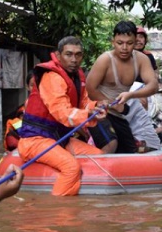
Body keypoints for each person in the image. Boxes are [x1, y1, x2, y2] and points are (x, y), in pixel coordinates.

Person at [18, 36, 106, 196]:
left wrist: (97, 107)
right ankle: (59, 214)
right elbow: (62, 112)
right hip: (35, 140)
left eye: (78, 55)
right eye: (69, 54)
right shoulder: (52, 76)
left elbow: (84, 104)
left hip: (59, 139)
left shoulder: (77, 77)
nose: (74, 59)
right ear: (58, 56)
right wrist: (88, 113)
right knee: (71, 167)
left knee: (99, 156)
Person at [85, 20, 159, 154]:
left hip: (120, 112)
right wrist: (111, 105)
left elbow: (153, 86)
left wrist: (131, 95)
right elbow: (90, 89)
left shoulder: (141, 59)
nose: (124, 48)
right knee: (111, 144)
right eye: (120, 43)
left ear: (135, 42)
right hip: (99, 111)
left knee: (130, 151)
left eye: (129, 43)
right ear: (113, 41)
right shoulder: (104, 60)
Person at [3, 71, 36, 151]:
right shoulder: (22, 110)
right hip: (27, 138)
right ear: (27, 87)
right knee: (11, 124)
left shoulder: (49, 104)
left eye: (37, 85)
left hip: (41, 139)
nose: (35, 89)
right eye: (32, 85)